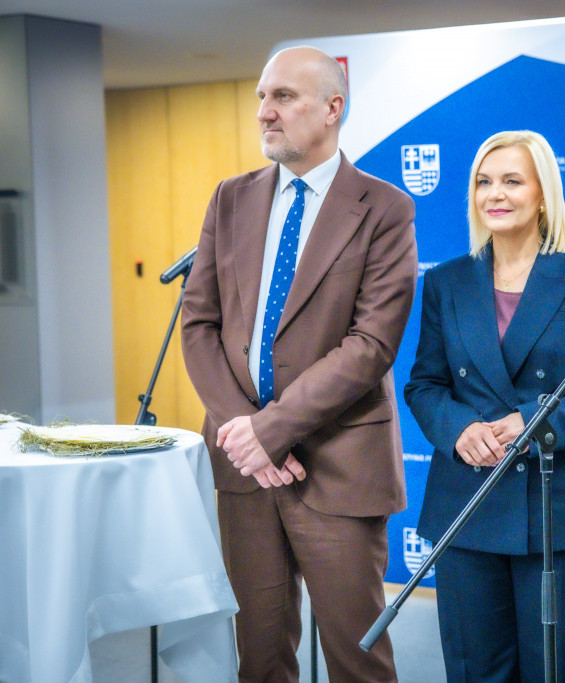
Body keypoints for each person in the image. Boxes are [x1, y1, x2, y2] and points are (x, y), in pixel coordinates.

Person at [180, 45, 417, 682]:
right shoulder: (230, 199)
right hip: (244, 470)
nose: (265, 111)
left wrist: (271, 430)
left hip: (338, 465)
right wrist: (246, 434)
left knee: (356, 660)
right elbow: (198, 324)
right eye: (262, 97)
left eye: (283, 96)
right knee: (259, 659)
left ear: (333, 108)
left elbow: (371, 345)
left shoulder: (385, 208)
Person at [404, 130, 565, 682]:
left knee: (559, 673)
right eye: (484, 182)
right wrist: (459, 429)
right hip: (467, 509)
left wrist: (533, 422)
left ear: (543, 194)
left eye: (512, 181)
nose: (495, 194)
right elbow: (425, 384)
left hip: (560, 514)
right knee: (475, 672)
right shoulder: (445, 282)